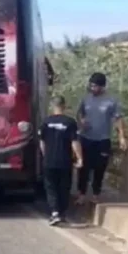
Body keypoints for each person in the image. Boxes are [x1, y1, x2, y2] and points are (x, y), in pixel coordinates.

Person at [76, 72, 128, 204]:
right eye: (91, 85)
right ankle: (81, 194)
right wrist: (82, 122)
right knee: (84, 168)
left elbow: (118, 119)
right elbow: (80, 114)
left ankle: (96, 194)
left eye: (95, 86)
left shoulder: (111, 101)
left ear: (102, 87)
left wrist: (121, 137)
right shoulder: (86, 98)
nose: (92, 88)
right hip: (86, 138)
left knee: (100, 167)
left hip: (103, 139)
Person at [39, 95, 83, 226]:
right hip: (65, 161)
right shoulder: (70, 122)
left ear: (53, 106)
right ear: (64, 106)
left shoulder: (45, 122)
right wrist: (80, 158)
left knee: (50, 187)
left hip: (49, 161)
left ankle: (54, 212)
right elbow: (74, 142)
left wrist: (45, 155)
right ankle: (62, 213)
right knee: (64, 187)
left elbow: (42, 143)